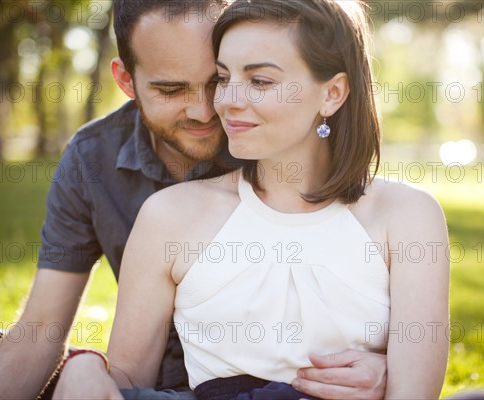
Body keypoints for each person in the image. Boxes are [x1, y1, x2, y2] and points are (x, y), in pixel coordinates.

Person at [0, 1, 388, 399]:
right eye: (171, 90)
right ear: (125, 80)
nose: (207, 111)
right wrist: (85, 364)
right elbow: (43, 325)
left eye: (216, 81)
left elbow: (346, 258)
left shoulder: (268, 136)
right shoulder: (93, 156)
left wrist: (390, 367)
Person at [54, 0, 450, 399]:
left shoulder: (408, 216)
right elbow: (128, 384)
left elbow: (415, 393)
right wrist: (84, 367)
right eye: (223, 78)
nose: (224, 101)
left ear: (332, 93)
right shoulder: (170, 215)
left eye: (260, 81)